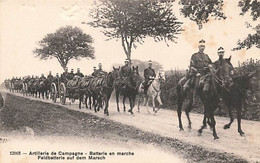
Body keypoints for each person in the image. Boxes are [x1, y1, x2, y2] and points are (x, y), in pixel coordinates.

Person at [183, 39, 212, 106]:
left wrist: (210, 66)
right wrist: (196, 73)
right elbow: (192, 66)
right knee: (197, 85)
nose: (202, 48)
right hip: (197, 74)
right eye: (201, 46)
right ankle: (194, 101)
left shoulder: (206, 56)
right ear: (198, 47)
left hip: (205, 74)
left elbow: (211, 64)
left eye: (203, 46)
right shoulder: (194, 56)